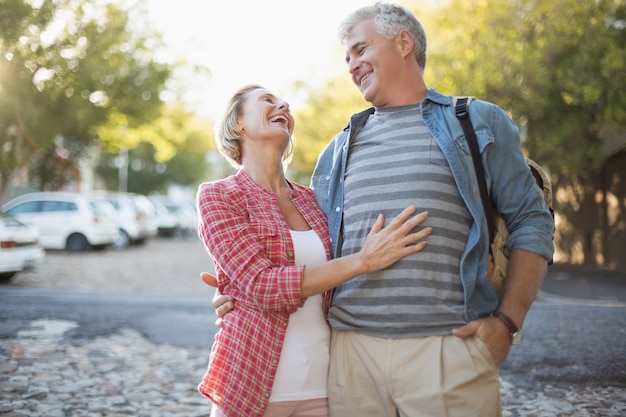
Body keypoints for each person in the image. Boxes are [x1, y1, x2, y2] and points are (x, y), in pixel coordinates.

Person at [210, 3, 554, 416]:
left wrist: (507, 321)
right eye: (348, 58)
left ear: (403, 42)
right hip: (349, 360)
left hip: (448, 351)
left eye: (360, 50)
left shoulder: (476, 121)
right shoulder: (337, 151)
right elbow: (305, 255)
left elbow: (531, 220)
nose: (352, 66)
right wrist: (242, 296)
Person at [196, 84, 432, 417]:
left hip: (325, 385)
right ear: (239, 124)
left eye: (283, 103)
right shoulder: (219, 196)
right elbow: (263, 285)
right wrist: (364, 260)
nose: (284, 105)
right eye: (268, 100)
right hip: (251, 384)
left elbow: (335, 282)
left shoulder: (314, 200)